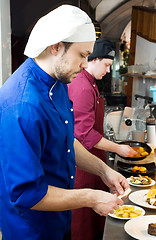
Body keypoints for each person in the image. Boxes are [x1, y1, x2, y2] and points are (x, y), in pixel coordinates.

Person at [0, 5, 135, 240]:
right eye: (82, 55)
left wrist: (104, 171)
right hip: (32, 230)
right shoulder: (22, 104)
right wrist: (90, 197)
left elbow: (66, 140)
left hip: (60, 219)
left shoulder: (58, 83)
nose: (86, 64)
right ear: (55, 46)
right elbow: (27, 193)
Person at [68, 38, 137, 240]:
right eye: (106, 65)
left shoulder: (90, 83)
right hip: (83, 163)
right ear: (93, 59)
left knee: (94, 217)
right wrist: (118, 148)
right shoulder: (82, 86)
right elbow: (84, 133)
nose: (108, 70)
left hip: (94, 160)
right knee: (83, 222)